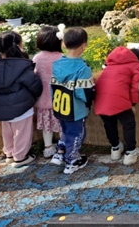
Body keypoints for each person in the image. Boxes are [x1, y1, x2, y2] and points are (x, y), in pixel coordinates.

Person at [0, 31, 43, 168]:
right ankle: (20, 157)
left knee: (7, 131)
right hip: (21, 107)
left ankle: (9, 154)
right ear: (18, 46)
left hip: (0, 109)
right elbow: (35, 85)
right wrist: (34, 97)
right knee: (22, 133)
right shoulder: (22, 65)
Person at [51, 27, 94, 175]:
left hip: (59, 106)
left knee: (66, 130)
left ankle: (60, 151)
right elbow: (84, 93)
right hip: (76, 110)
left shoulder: (57, 64)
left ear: (63, 44)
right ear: (84, 45)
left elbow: (53, 87)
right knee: (77, 133)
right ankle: (72, 160)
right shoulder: (83, 69)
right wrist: (90, 100)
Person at [94, 46, 139, 165]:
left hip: (101, 99)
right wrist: (133, 104)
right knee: (128, 124)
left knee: (109, 123)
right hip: (119, 100)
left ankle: (115, 148)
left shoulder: (110, 65)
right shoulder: (135, 66)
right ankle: (130, 153)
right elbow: (135, 88)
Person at [32, 25, 64, 158]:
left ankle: (48, 147)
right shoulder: (62, 58)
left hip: (42, 100)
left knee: (47, 126)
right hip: (60, 100)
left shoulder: (37, 58)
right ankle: (63, 146)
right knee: (62, 126)